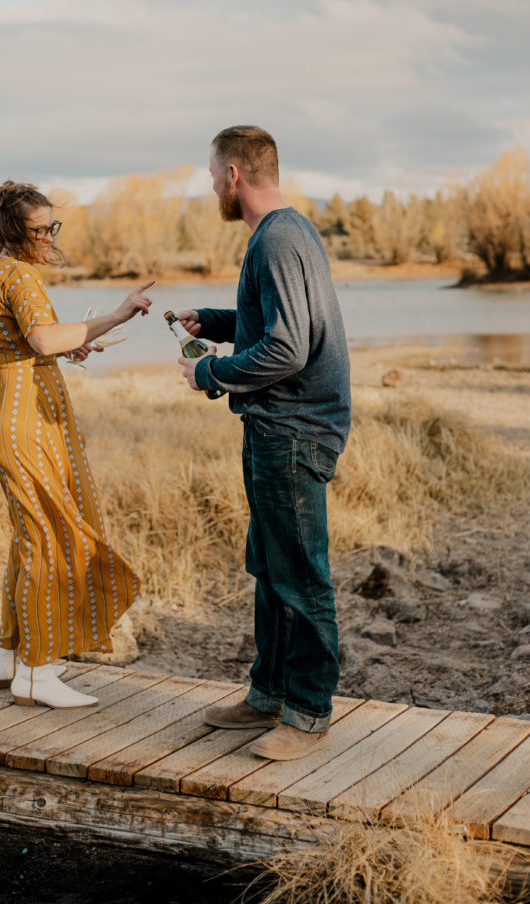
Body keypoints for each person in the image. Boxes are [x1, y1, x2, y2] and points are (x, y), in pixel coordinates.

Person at [176, 126, 351, 761]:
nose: (212, 185)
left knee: (301, 577)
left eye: (212, 174)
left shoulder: (276, 239)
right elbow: (279, 322)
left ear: (233, 176)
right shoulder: (286, 230)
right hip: (279, 427)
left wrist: (211, 372)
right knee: (271, 569)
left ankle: (307, 714)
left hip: (293, 431)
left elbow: (287, 347)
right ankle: (267, 696)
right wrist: (217, 321)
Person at [0, 180, 154, 709]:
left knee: (30, 532)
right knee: (48, 537)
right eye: (42, 228)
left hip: (6, 406)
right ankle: (35, 672)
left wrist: (70, 342)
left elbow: (36, 341)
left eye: (54, 225)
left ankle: (9, 655)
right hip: (24, 417)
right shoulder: (21, 277)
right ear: (15, 232)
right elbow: (45, 338)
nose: (51, 235)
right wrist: (117, 314)